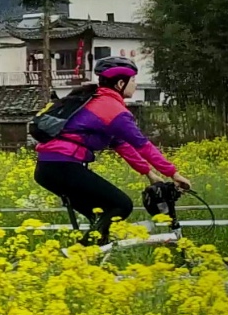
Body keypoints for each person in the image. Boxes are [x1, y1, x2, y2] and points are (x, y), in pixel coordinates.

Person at [34, 55, 192, 243]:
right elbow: (142, 144)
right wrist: (173, 174)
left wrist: (149, 173)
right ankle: (80, 255)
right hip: (63, 166)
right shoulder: (113, 109)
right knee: (121, 205)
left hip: (48, 168)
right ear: (120, 84)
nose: (135, 84)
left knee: (100, 217)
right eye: (133, 80)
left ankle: (89, 264)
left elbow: (122, 145)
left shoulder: (98, 102)